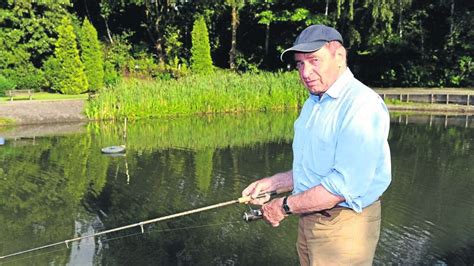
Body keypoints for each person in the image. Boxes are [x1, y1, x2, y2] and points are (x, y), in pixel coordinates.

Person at [242, 24, 391, 265]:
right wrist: (273, 184)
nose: (305, 72)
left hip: (344, 227)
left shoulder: (362, 105)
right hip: (309, 218)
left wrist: (283, 206)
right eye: (300, 64)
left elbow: (341, 187)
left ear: (339, 56)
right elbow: (315, 167)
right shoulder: (314, 102)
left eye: (314, 60)